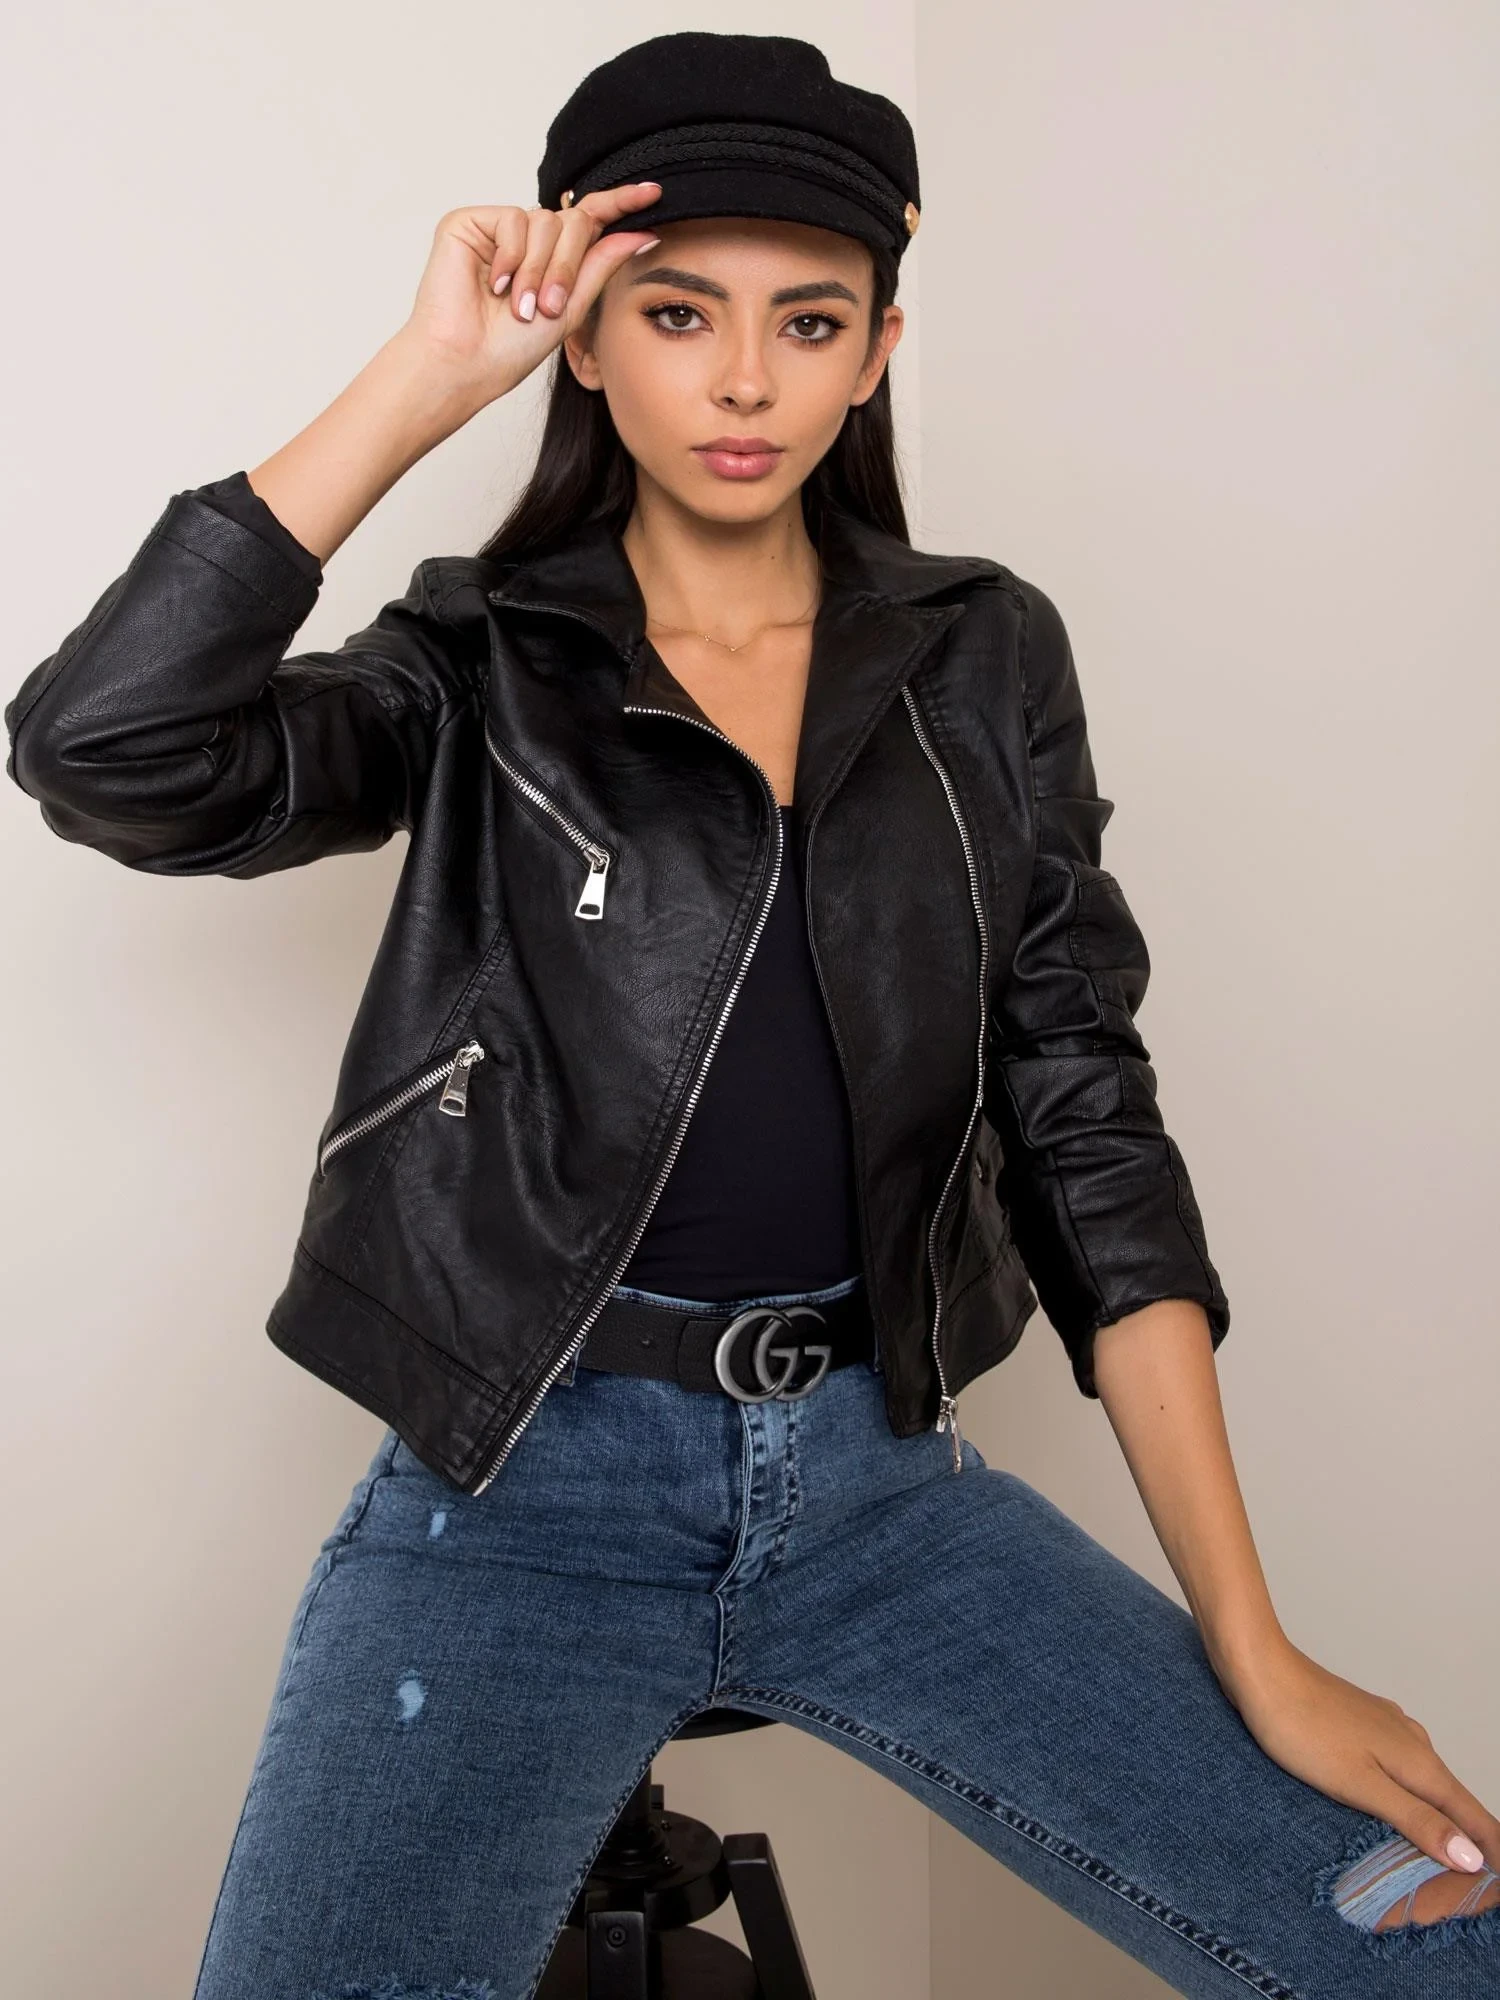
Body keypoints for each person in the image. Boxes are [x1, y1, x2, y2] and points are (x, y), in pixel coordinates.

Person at [6, 29, 1498, 2000]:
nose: (741, 380)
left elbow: (1088, 1128)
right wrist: (425, 378)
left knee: (1432, 1941)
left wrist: (1255, 1641)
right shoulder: (480, 657)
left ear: (877, 351)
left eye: (808, 321)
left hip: (883, 1488)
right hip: (522, 1493)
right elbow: (107, 750)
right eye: (676, 311)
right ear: (584, 335)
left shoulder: (984, 653)